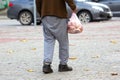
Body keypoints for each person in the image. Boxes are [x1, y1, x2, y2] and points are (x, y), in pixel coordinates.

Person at [36, 0, 76, 74]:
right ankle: (63, 65)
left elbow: (38, 2)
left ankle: (46, 65)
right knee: (63, 41)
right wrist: (73, 7)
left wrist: (41, 13)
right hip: (59, 15)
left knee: (48, 40)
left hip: (46, 15)